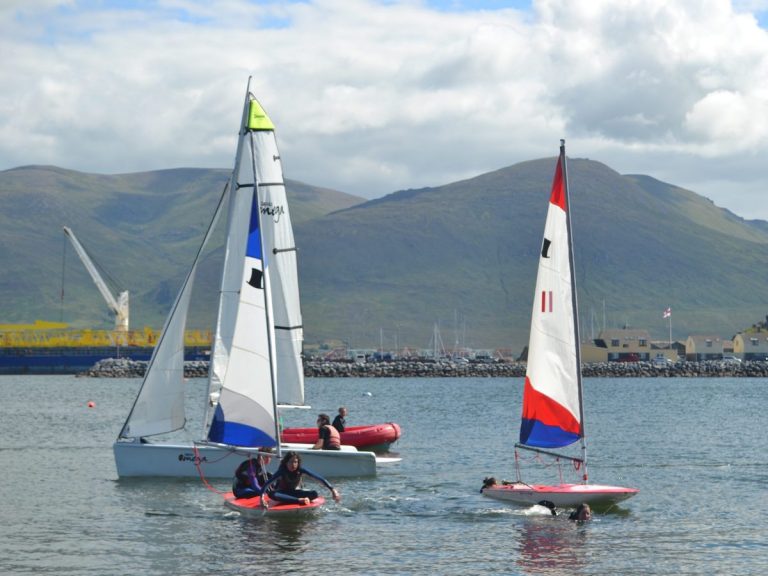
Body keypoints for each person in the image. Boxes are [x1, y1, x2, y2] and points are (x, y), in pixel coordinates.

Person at [262, 451, 341, 506]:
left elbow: (318, 478)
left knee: (314, 494)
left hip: (294, 493)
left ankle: (297, 499)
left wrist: (332, 490)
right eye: (291, 462)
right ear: (286, 462)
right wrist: (261, 499)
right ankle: (299, 500)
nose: (293, 464)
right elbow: (266, 485)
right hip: (282, 494)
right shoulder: (282, 471)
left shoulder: (300, 470)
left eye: (295, 462)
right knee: (272, 494)